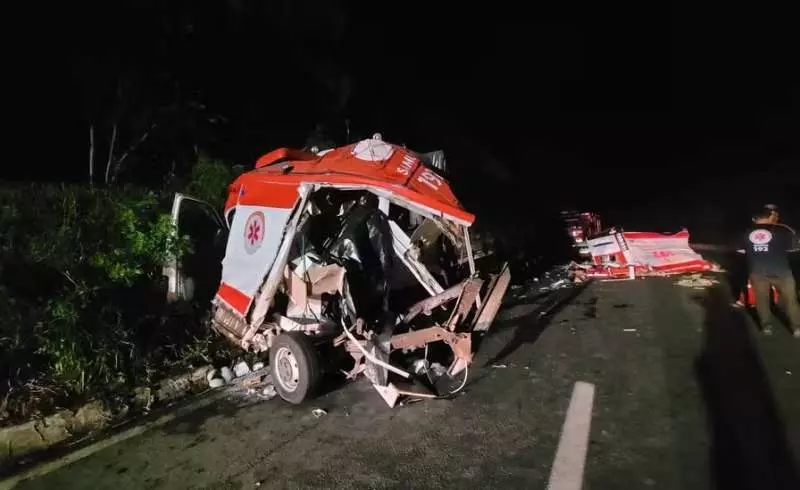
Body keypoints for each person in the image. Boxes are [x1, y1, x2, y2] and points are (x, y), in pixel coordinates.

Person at [741, 205, 800, 337]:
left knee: (761, 299)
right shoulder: (783, 229)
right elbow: (794, 249)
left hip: (757, 271)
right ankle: (797, 328)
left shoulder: (746, 231)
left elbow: (741, 250)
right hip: (781, 271)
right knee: (791, 300)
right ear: (771, 216)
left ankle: (766, 326)